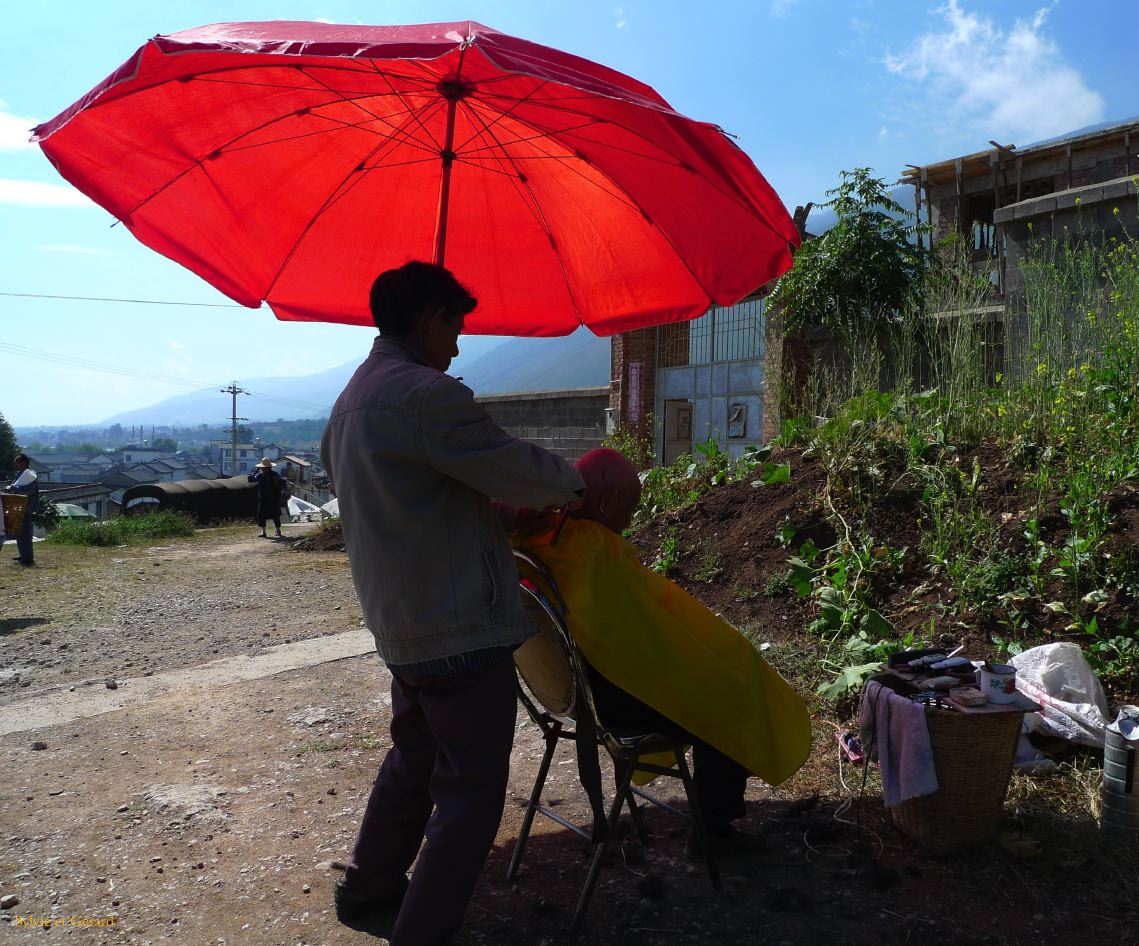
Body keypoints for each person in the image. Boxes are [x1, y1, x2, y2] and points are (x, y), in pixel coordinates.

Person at [320, 261, 586, 946]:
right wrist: (575, 485)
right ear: (432, 317)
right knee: (469, 791)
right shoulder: (423, 395)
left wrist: (487, 515)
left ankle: (370, 884)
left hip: (402, 622)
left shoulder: (353, 399)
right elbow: (510, 463)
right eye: (457, 325)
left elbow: (411, 500)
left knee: (413, 759)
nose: (460, 343)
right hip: (456, 628)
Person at [513, 448, 812, 853]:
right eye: (629, 509)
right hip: (612, 705)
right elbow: (652, 648)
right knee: (733, 695)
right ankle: (715, 834)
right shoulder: (597, 556)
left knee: (722, 678)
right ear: (604, 501)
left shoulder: (540, 540)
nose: (630, 521)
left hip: (572, 698)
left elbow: (637, 638)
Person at [8, 453, 38, 566]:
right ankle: (24, 554)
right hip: (19, 508)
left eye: (17, 462)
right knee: (19, 533)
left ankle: (27, 558)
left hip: (26, 507)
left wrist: (13, 488)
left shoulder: (30, 474)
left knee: (25, 533)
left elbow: (28, 490)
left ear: (24, 463)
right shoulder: (21, 474)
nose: (14, 464)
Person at [247, 457, 286, 538]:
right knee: (265, 515)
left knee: (272, 515)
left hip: (270, 498)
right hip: (266, 498)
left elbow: (251, 479)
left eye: (264, 468)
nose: (263, 469)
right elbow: (251, 480)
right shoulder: (264, 475)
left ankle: (275, 531)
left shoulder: (267, 475)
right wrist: (256, 471)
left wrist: (256, 471)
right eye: (262, 468)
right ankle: (266, 532)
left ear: (268, 467)